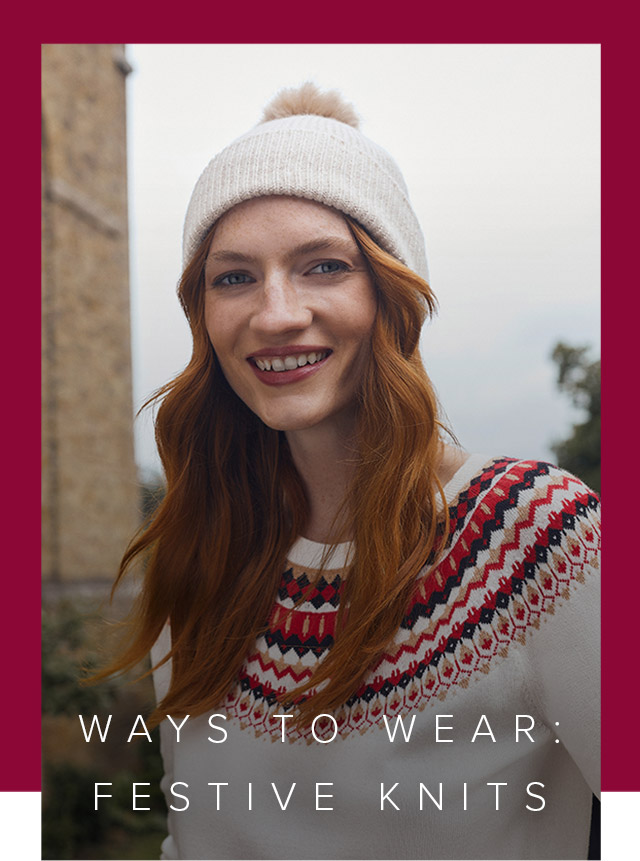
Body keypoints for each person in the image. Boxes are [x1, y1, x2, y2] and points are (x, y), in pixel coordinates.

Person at [105, 83, 600, 859]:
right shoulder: (198, 554)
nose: (275, 313)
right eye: (233, 276)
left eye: (322, 266)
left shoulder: (538, 534)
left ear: (391, 294)